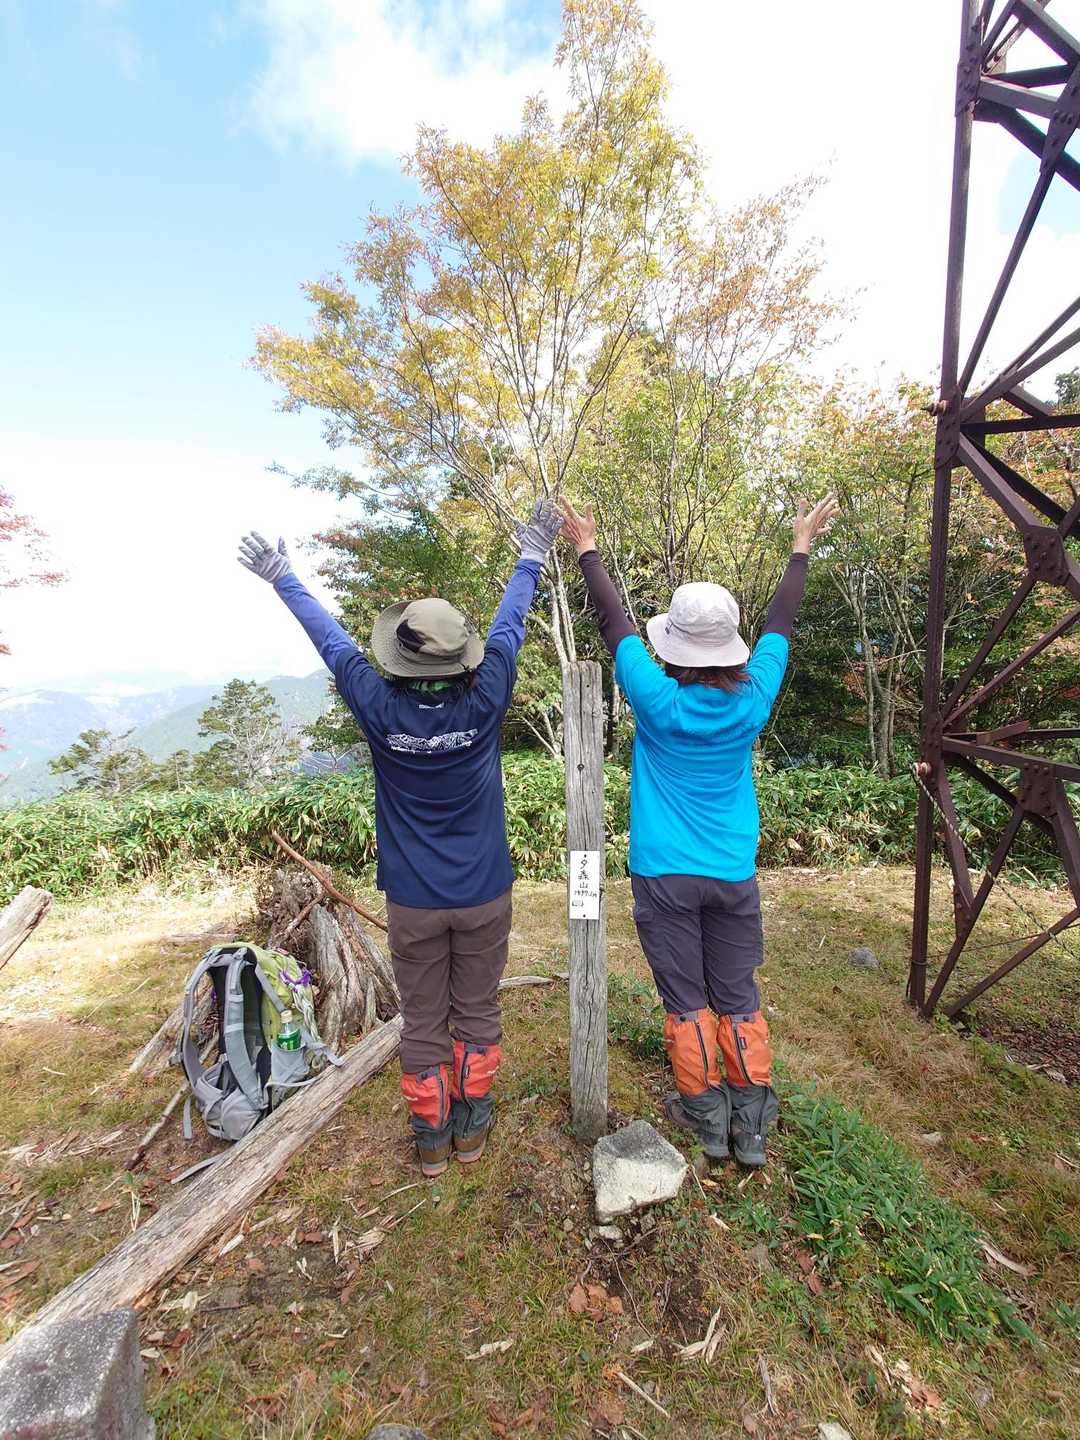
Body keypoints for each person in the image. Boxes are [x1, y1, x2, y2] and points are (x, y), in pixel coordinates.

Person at [237, 501, 563, 1178]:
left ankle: (431, 1139)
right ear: (462, 659)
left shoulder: (380, 707)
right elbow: (510, 624)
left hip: (413, 900)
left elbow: (332, 643)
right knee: (476, 1009)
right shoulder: (486, 698)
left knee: (423, 1019)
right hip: (484, 891)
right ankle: (471, 1127)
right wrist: (531, 552)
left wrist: (283, 577)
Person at [558, 493, 838, 1167]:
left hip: (664, 874)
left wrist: (586, 546)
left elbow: (614, 623)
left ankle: (706, 1117)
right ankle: (752, 1124)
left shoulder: (656, 699)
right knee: (737, 996)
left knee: (686, 999)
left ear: (674, 647)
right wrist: (800, 546)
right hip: (732, 871)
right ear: (731, 645)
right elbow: (782, 622)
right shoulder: (755, 698)